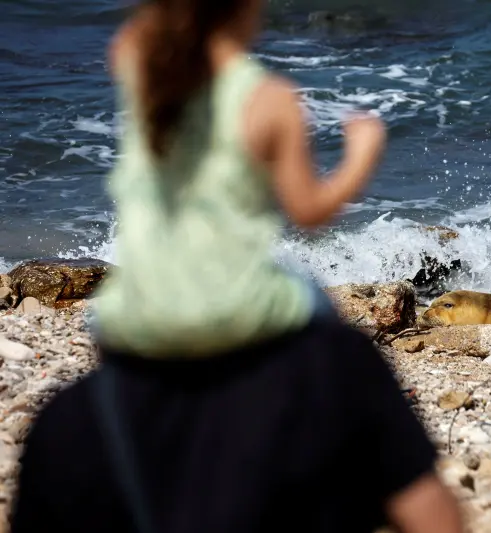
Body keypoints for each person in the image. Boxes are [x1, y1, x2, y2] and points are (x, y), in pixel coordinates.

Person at [9, 1, 465, 532]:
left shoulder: (144, 72)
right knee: (326, 321)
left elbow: (132, 37)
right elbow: (310, 211)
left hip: (139, 316)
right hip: (240, 312)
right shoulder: (269, 99)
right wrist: (363, 152)